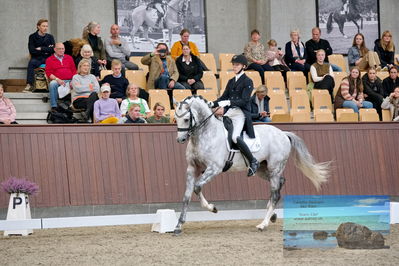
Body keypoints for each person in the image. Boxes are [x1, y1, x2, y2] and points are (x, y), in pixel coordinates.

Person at [210, 54, 259, 176]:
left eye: (237, 65)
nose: (234, 67)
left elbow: (245, 100)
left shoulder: (248, 81)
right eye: (233, 65)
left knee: (234, 137)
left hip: (240, 113)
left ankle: (253, 161)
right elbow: (223, 97)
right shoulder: (231, 81)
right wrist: (211, 103)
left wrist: (229, 102)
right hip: (230, 111)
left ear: (244, 66)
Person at [141, 43, 185, 109]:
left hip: (169, 80)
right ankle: (164, 101)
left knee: (182, 89)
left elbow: (176, 72)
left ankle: (173, 104)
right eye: (160, 49)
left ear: (166, 51)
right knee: (163, 77)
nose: (162, 51)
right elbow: (143, 61)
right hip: (156, 81)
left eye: (163, 49)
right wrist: (153, 53)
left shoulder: (171, 60)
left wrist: (173, 80)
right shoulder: (153, 58)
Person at [25, 19, 55, 91]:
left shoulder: (50, 37)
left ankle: (52, 85)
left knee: (54, 64)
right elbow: (32, 51)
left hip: (47, 58)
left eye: (47, 26)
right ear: (38, 27)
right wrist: (47, 49)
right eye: (43, 26)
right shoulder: (32, 37)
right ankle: (29, 84)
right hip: (37, 58)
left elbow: (53, 50)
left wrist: (41, 48)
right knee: (31, 63)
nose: (45, 28)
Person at [45, 43, 77, 110]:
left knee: (77, 83)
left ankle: (74, 106)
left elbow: (74, 71)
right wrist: (57, 79)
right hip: (58, 81)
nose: (61, 50)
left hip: (70, 80)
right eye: (59, 49)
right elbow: (48, 73)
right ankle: (54, 106)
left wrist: (73, 80)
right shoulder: (49, 59)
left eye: (63, 49)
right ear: (54, 49)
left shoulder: (69, 58)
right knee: (52, 84)